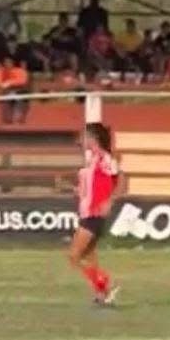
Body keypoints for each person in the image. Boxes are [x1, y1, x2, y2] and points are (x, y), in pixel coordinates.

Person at [69, 122, 122, 307]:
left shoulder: (105, 158)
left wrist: (109, 200)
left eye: (84, 136)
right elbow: (92, 187)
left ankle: (105, 283)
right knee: (89, 257)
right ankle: (103, 294)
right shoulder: (92, 160)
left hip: (94, 214)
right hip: (87, 212)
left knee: (74, 256)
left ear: (93, 138)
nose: (81, 140)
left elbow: (120, 180)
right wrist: (77, 190)